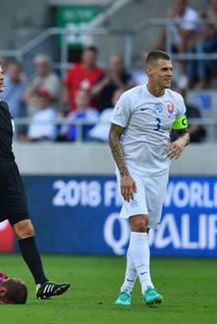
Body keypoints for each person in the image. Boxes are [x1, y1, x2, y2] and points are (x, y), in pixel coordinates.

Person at [0, 19, 70, 300]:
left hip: (9, 169)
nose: (1, 77)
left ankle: (42, 284)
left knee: (25, 226)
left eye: (2, 73)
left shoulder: (6, 106)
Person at [108, 50, 190, 306]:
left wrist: (182, 142)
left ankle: (125, 289)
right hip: (132, 170)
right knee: (139, 222)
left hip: (159, 172)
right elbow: (113, 136)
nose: (169, 74)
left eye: (171, 69)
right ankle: (148, 287)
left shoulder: (176, 101)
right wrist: (124, 174)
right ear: (149, 71)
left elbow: (184, 131)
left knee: (142, 230)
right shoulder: (130, 98)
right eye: (164, 69)